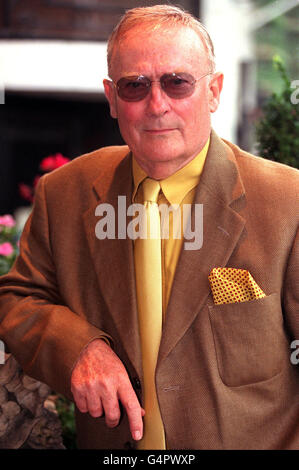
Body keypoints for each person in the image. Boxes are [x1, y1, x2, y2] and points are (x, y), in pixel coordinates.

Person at [0, 5, 298, 450]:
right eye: (135, 86)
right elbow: (18, 297)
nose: (157, 105)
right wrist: (80, 348)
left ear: (214, 91)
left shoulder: (288, 202)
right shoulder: (65, 193)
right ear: (111, 97)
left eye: (177, 83)